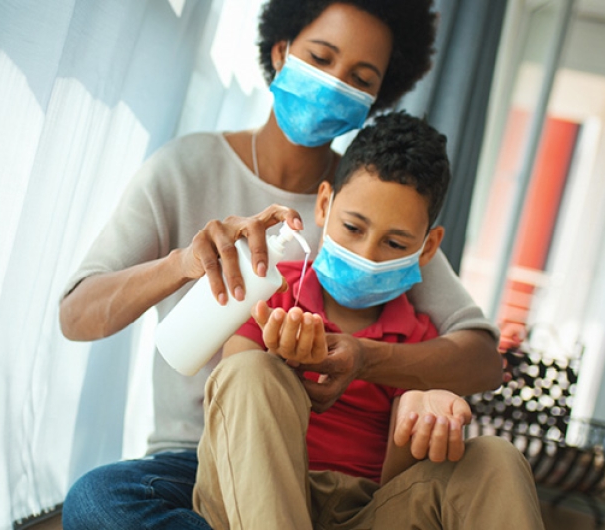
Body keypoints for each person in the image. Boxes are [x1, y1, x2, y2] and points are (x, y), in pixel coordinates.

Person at [60, 1, 503, 528]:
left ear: (374, 100)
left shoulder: (369, 207)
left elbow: (479, 358)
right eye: (321, 57)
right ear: (282, 50)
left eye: (360, 78)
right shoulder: (186, 168)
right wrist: (182, 264)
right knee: (99, 501)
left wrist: (362, 358)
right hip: (195, 454)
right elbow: (77, 314)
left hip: (325, 466)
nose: (335, 82)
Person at [192, 112, 543, 529]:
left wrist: (417, 419)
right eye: (353, 227)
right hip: (249, 497)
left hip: (362, 512)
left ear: (428, 247)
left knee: (495, 458)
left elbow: (401, 486)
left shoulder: (419, 342)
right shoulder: (270, 291)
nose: (368, 254)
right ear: (324, 205)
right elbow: (233, 394)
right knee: (251, 370)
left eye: (394, 243)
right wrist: (279, 356)